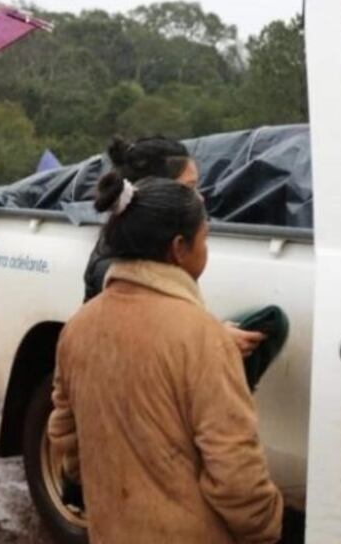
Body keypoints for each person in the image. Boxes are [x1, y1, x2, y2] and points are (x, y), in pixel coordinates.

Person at [49, 173, 284, 543]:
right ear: (179, 248)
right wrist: (265, 529)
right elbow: (235, 470)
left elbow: (65, 435)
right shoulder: (203, 335)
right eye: (205, 238)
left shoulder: (77, 329)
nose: (206, 250)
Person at [84, 135, 265, 358]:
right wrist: (215, 339)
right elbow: (151, 336)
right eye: (189, 187)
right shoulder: (116, 271)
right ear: (158, 193)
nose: (200, 198)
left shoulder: (156, 250)